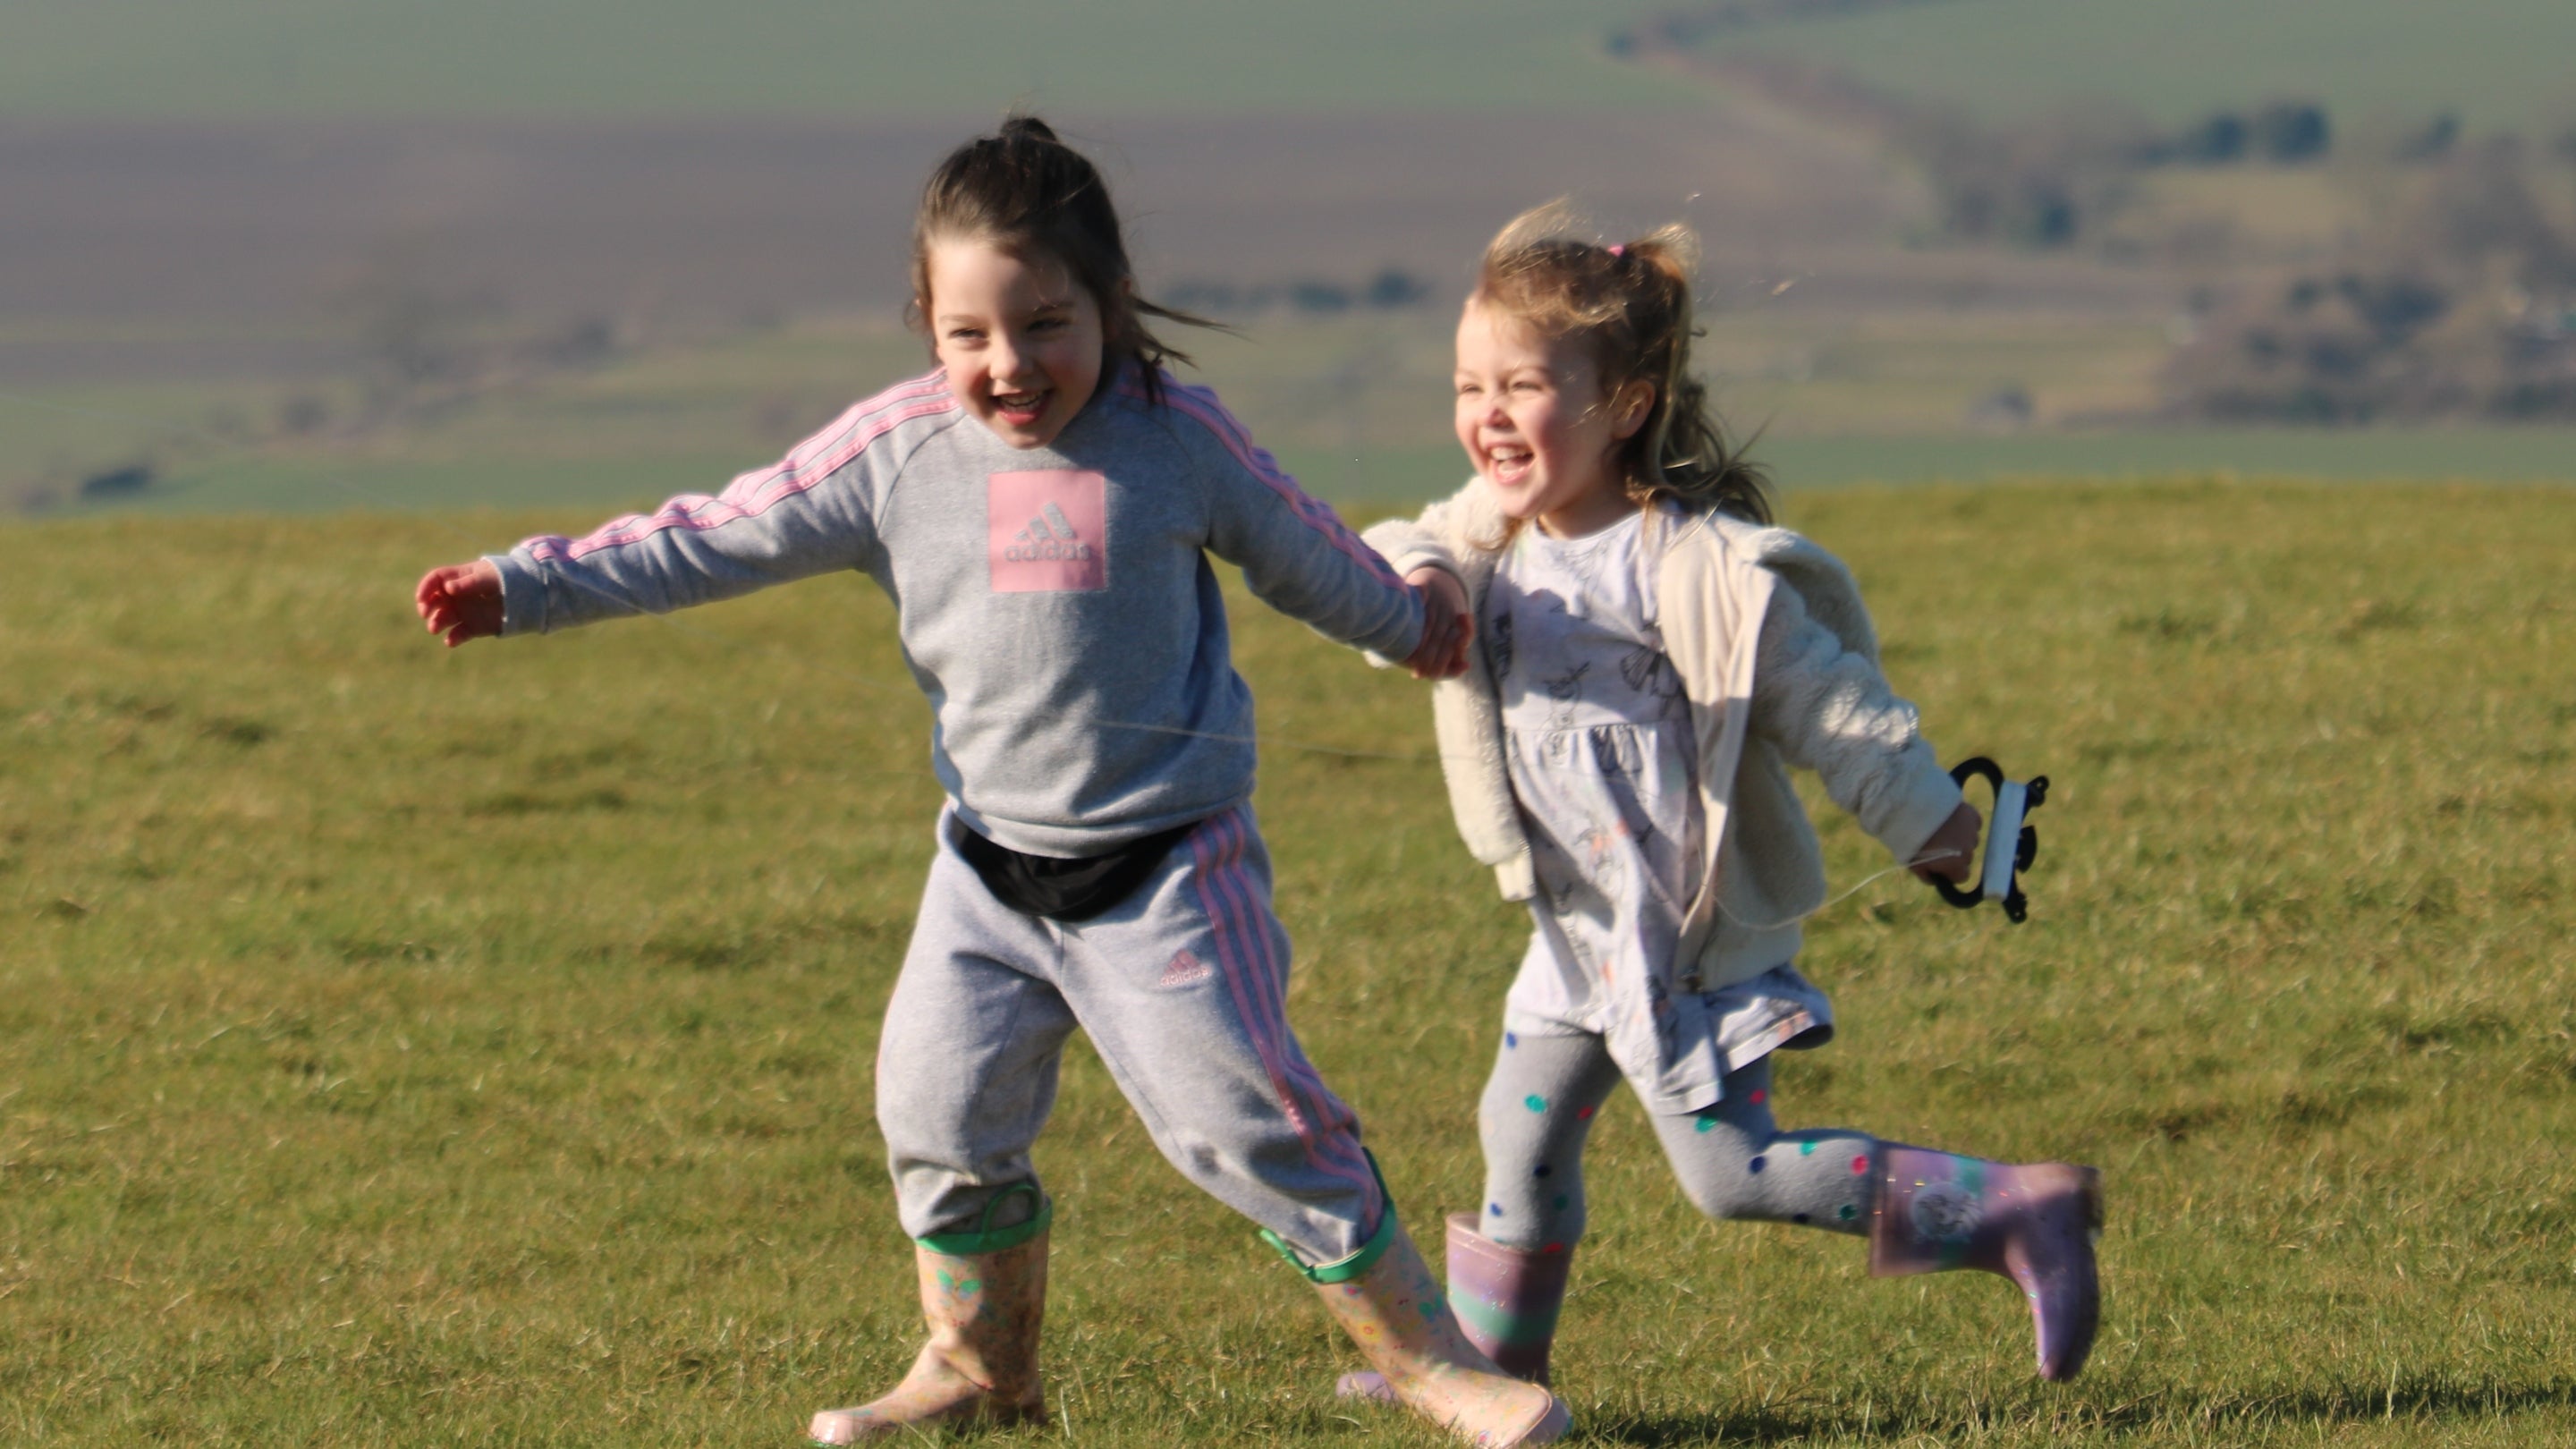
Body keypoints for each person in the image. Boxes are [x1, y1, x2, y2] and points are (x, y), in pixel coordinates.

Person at [412, 118, 1565, 1447]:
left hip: (1167, 877)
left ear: (1112, 307)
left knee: (1252, 1129)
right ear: (928, 322)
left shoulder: (1177, 438)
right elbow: (712, 537)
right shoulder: (894, 453)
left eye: (1047, 324)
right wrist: (529, 586)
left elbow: (1305, 553)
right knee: (936, 1115)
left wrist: (1415, 613)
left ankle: (1429, 1362)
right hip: (986, 877)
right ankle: (979, 1373)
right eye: (971, 336)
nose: (1011, 367)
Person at [1344, 203, 2102, 1397]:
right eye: (1466, 384)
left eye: (1523, 384)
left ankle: (2013, 1211)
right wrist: (1424, 573)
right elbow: (1395, 554)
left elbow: (1834, 704)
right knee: (1519, 1134)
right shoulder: (1484, 538)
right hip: (1575, 931)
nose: (1486, 413)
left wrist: (1926, 820)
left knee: (1729, 1175)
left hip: (1681, 940)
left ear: (1625, 403)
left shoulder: (1696, 568)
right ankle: (1494, 1373)